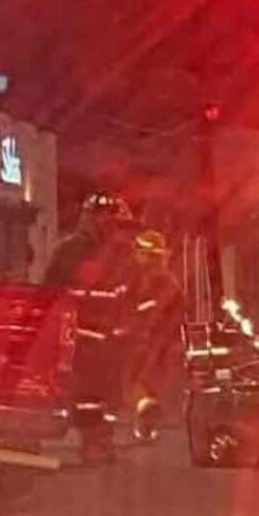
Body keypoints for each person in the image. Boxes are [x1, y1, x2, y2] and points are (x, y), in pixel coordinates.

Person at [44, 191, 139, 464]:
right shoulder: (69, 251)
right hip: (83, 336)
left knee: (111, 394)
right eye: (106, 219)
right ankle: (91, 441)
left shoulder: (122, 253)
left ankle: (103, 439)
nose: (110, 226)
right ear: (91, 219)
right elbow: (51, 291)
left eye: (115, 221)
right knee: (87, 394)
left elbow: (133, 291)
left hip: (113, 338)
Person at [124, 229, 184, 443]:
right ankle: (149, 420)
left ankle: (146, 416)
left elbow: (144, 311)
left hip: (149, 343)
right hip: (162, 344)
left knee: (137, 384)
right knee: (151, 385)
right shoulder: (167, 281)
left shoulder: (153, 281)